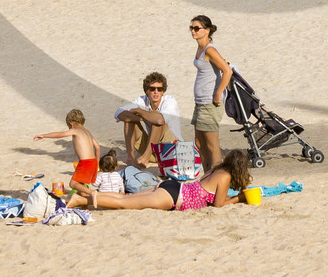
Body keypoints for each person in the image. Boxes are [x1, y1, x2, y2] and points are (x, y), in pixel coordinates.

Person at [84, 148, 250, 212]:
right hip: (174, 197)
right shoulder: (226, 176)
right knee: (124, 204)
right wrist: (238, 198)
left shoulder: (217, 169)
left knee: (126, 199)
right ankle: (85, 198)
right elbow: (218, 204)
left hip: (173, 187)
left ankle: (83, 199)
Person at [113, 71, 183, 168]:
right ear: (146, 91)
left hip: (171, 150)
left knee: (158, 120)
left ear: (163, 91)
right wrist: (140, 117)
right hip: (153, 151)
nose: (156, 92)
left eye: (159, 89)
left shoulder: (170, 101)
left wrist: (139, 111)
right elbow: (118, 113)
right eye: (152, 89)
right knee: (129, 119)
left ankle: (144, 159)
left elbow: (159, 120)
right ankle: (130, 157)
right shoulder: (142, 101)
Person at [190, 15, 233, 171]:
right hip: (200, 102)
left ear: (206, 31)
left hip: (210, 102)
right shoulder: (200, 47)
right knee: (199, 143)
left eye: (196, 28)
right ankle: (207, 174)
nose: (193, 31)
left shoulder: (210, 49)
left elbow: (227, 71)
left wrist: (218, 93)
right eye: (191, 28)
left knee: (211, 144)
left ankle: (217, 177)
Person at [33, 108, 100, 203]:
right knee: (81, 185)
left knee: (73, 184)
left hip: (85, 162)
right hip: (93, 161)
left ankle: (92, 192)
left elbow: (60, 134)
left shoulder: (75, 130)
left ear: (71, 123)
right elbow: (97, 147)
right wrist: (97, 161)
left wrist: (44, 135)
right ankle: (84, 206)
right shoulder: (87, 132)